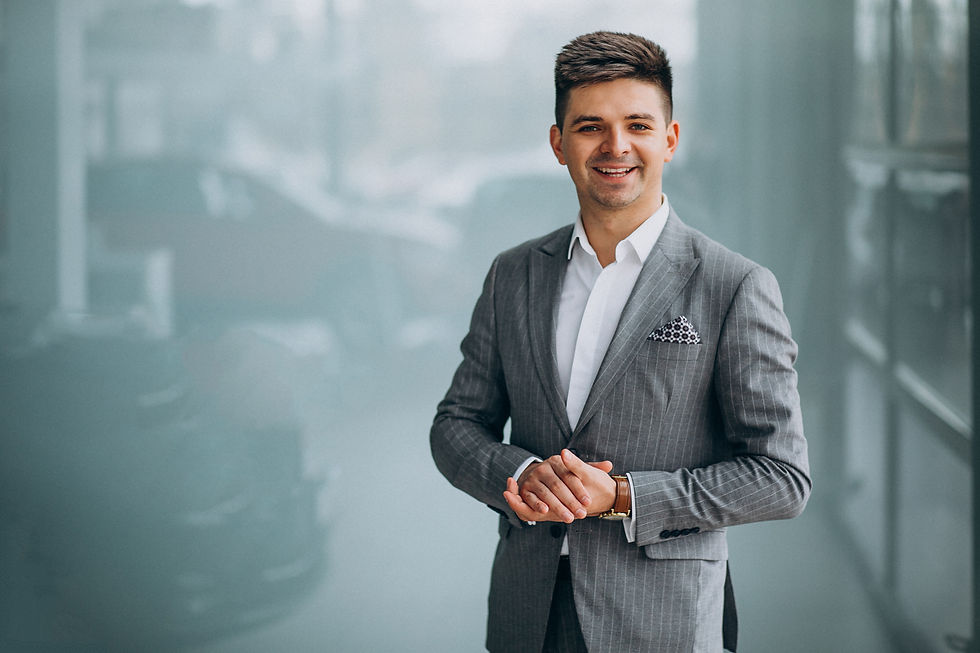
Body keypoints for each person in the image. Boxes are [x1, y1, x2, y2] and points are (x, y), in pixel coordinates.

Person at [430, 31, 810, 653]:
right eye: (590, 127)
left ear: (670, 139)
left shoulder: (734, 285)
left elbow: (782, 475)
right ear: (559, 143)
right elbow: (456, 424)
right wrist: (521, 474)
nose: (616, 146)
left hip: (664, 622)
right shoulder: (513, 274)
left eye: (638, 125)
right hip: (527, 612)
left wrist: (624, 497)